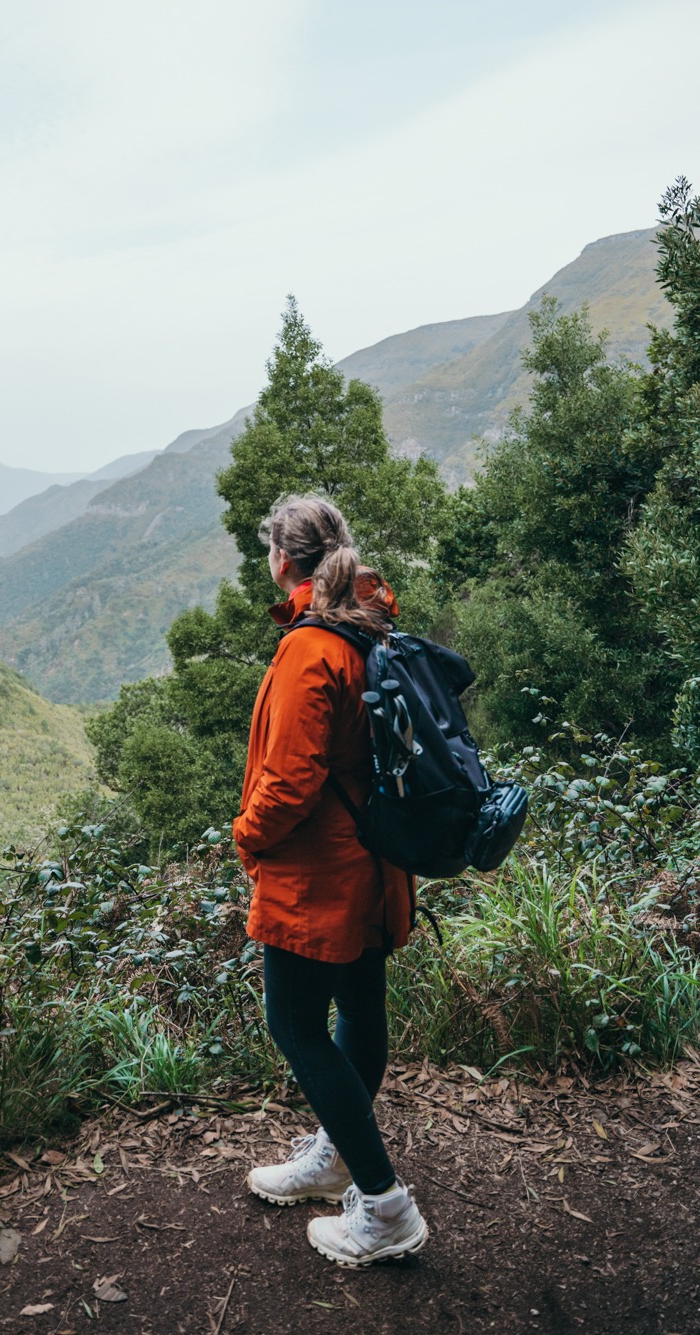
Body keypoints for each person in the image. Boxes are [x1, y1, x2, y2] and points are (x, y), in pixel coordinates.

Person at [233, 493, 428, 1267]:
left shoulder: (309, 648)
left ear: (284, 560)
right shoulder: (371, 625)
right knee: (360, 1012)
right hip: (376, 864)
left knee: (294, 1026)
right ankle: (335, 1158)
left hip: (318, 877)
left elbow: (286, 785)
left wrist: (245, 837)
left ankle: (383, 1205)